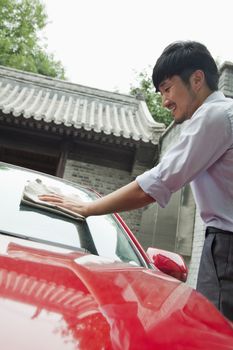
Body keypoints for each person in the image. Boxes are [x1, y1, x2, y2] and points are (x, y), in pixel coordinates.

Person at [39, 40, 233, 321]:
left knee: (214, 332)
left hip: (226, 251)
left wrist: (88, 208)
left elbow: (157, 182)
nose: (165, 101)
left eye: (168, 89)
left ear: (197, 79)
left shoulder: (213, 117)